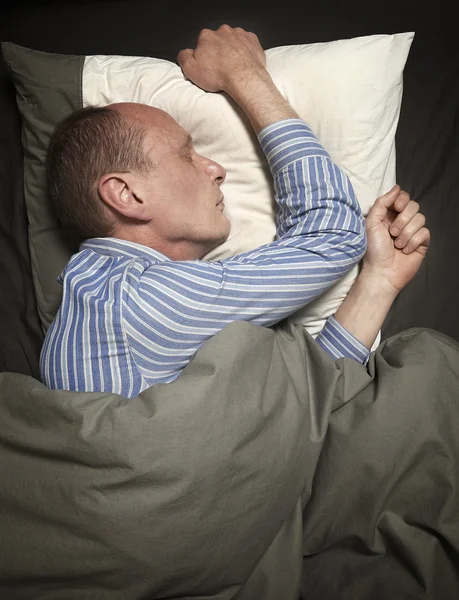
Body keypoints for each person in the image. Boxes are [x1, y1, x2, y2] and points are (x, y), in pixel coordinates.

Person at [40, 25, 430, 398]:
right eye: (185, 154)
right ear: (126, 194)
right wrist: (243, 74)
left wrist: (380, 282)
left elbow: (297, 407)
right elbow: (331, 234)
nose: (216, 169)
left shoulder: (102, 303)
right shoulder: (142, 301)